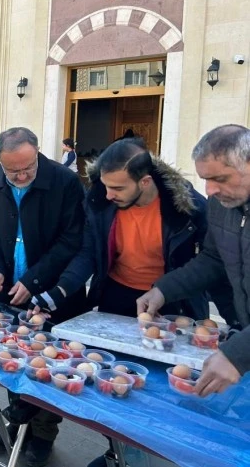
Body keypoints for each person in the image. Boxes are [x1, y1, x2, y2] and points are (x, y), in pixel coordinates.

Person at [25, 137, 228, 467]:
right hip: (117, 297)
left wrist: (230, 322)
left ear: (144, 181)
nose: (108, 195)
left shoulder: (187, 206)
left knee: (162, 390)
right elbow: (88, 254)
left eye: (118, 188)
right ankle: (117, 452)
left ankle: (155, 454)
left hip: (172, 303)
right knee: (114, 380)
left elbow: (212, 262)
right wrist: (56, 293)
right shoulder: (100, 201)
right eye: (105, 186)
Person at [0, 128, 85, 466]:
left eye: (28, 168)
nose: (21, 176)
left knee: (48, 365)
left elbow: (71, 241)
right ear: (0, 165)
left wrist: (33, 279)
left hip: (55, 292)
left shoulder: (65, 181)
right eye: (13, 172)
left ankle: (43, 433)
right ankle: (17, 419)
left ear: (38, 152)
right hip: (10, 290)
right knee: (14, 358)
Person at [137, 124, 249, 398]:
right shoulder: (222, 205)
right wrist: (164, 289)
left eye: (220, 178)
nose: (210, 190)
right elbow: (213, 259)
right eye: (205, 179)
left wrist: (238, 354)